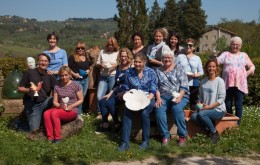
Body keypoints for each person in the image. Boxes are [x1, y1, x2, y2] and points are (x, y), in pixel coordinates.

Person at [118, 52, 158, 151]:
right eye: (135, 62)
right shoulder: (129, 72)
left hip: (148, 97)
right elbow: (127, 87)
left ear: (144, 62)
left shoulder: (151, 72)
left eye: (139, 62)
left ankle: (145, 141)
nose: (137, 64)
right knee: (127, 113)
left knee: (144, 113)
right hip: (134, 97)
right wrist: (128, 96)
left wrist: (147, 100)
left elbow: (153, 89)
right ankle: (125, 142)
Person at [154, 50, 189, 147]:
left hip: (179, 95)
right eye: (165, 58)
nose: (167, 59)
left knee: (176, 109)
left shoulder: (179, 69)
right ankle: (165, 135)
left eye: (169, 58)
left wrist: (179, 97)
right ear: (162, 59)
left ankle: (182, 135)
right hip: (163, 96)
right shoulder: (157, 71)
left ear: (173, 59)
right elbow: (155, 87)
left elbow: (184, 86)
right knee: (159, 110)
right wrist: (158, 98)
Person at [217, 36, 255, 125]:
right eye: (233, 44)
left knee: (238, 105)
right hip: (227, 83)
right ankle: (229, 122)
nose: (235, 46)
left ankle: (237, 124)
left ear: (240, 46)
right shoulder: (226, 54)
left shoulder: (244, 55)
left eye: (237, 45)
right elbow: (217, 61)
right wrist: (215, 57)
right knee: (228, 104)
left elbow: (252, 66)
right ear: (230, 45)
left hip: (240, 84)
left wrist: (247, 73)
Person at [96, 48, 133, 134]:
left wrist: (124, 92)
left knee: (109, 103)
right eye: (122, 56)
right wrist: (110, 93)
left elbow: (133, 83)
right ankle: (106, 125)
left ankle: (117, 123)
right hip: (117, 91)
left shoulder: (132, 67)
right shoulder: (118, 67)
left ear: (128, 57)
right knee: (102, 101)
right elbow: (117, 83)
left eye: (125, 56)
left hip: (127, 92)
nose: (123, 58)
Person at [17, 53, 57, 132]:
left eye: (45, 61)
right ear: (38, 62)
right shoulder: (29, 73)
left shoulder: (50, 75)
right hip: (33, 105)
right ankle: (20, 124)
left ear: (48, 63)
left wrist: (54, 104)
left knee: (58, 100)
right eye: (41, 61)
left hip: (46, 101)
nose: (43, 63)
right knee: (34, 131)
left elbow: (56, 90)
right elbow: (19, 88)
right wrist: (29, 90)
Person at [43, 66, 83, 143]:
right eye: (62, 75)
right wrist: (60, 106)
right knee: (46, 113)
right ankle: (50, 137)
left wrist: (71, 106)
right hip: (60, 108)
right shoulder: (57, 86)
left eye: (66, 75)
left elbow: (81, 99)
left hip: (72, 109)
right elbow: (55, 101)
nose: (64, 77)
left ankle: (57, 138)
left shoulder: (76, 86)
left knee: (55, 113)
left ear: (70, 75)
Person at [191, 57, 226, 144]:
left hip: (218, 110)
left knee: (202, 114)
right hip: (206, 109)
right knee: (193, 116)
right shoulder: (203, 81)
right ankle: (209, 128)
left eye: (213, 66)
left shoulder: (220, 81)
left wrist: (210, 107)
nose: (211, 68)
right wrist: (199, 102)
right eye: (209, 66)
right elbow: (201, 97)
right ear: (206, 68)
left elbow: (222, 99)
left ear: (216, 68)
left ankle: (214, 133)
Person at [68, 41, 94, 118]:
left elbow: (89, 66)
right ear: (76, 49)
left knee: (83, 96)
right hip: (76, 80)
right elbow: (68, 68)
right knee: (79, 97)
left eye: (82, 48)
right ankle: (78, 115)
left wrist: (89, 70)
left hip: (85, 80)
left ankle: (78, 113)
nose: (80, 50)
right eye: (78, 48)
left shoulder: (86, 57)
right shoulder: (72, 57)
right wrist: (74, 74)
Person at [176, 38, 203, 110]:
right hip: (182, 84)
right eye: (186, 45)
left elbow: (201, 71)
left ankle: (193, 119)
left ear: (194, 47)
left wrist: (197, 74)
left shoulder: (197, 58)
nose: (188, 47)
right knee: (180, 102)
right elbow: (175, 69)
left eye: (190, 45)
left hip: (193, 83)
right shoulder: (180, 57)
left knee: (193, 103)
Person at [96, 37, 119, 119]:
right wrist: (101, 65)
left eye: (112, 45)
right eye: (109, 45)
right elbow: (98, 62)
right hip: (103, 76)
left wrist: (115, 65)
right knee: (99, 96)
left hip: (113, 76)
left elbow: (120, 63)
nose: (110, 47)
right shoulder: (102, 52)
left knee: (111, 96)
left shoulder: (117, 53)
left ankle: (110, 113)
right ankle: (100, 112)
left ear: (115, 45)